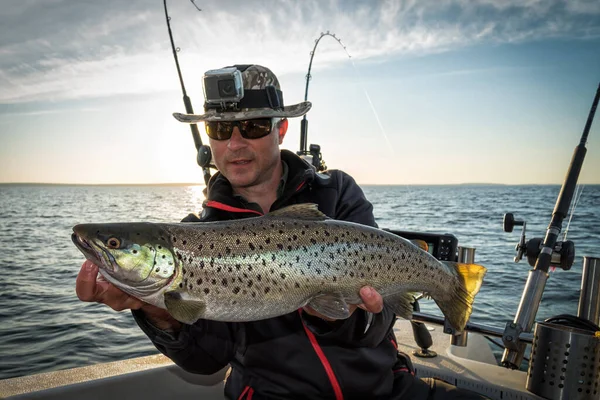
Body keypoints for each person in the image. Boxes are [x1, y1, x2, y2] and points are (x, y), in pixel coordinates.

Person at [76, 64, 489, 400]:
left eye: (253, 126)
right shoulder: (199, 235)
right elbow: (207, 361)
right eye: (220, 130)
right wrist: (156, 310)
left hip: (383, 389)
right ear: (209, 139)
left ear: (281, 129)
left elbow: (377, 326)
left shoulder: (338, 193)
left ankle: (456, 286)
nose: (235, 144)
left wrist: (338, 314)